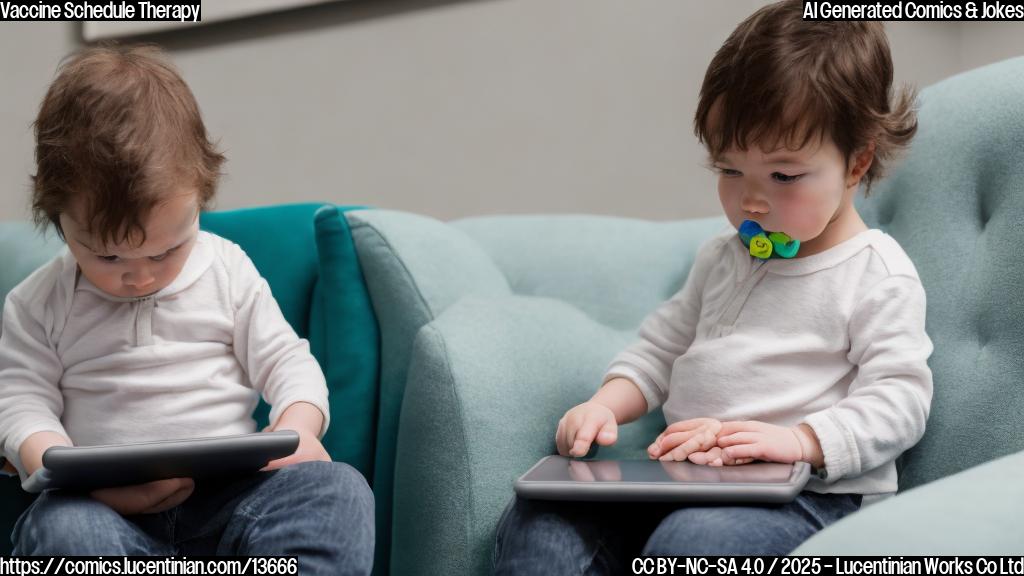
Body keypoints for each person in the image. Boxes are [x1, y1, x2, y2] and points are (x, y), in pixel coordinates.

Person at [494, 1, 933, 569]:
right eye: (730, 171)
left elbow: (902, 399)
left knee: (694, 546)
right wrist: (605, 404)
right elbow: (658, 350)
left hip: (808, 498)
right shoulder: (721, 258)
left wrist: (800, 440)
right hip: (682, 483)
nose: (751, 200)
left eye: (783, 175)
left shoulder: (877, 272)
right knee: (541, 521)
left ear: (856, 163)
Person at [0, 44, 373, 575]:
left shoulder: (227, 270)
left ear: (200, 194)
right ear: (56, 216)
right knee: (60, 529)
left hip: (233, 503)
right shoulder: (38, 302)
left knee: (338, 490)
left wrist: (299, 427)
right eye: (107, 255)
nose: (141, 274)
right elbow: (19, 405)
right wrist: (69, 479)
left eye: (165, 250)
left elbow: (288, 364)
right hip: (106, 514)